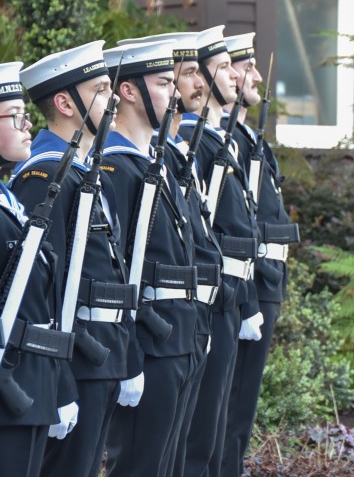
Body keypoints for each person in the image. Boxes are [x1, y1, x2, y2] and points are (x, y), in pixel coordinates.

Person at [11, 41, 134, 477]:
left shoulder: (83, 170)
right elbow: (41, 293)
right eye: (101, 89)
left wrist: (127, 357)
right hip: (75, 362)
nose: (114, 98)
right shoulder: (44, 176)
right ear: (64, 103)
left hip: (101, 356)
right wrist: (59, 382)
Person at [100, 40, 200, 477]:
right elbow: (113, 268)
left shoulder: (152, 161)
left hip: (180, 333)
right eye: (163, 83)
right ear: (129, 92)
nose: (175, 94)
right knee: (140, 464)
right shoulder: (114, 168)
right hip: (149, 341)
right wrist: (130, 358)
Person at [0, 62, 77, 477]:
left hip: (32, 387)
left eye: (26, 114)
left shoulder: (7, 203)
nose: (26, 126)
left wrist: (59, 388)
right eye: (14, 116)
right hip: (1, 392)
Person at [177, 26, 259, 477]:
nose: (238, 76)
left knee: (218, 425)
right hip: (210, 299)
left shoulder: (218, 137)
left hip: (228, 295)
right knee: (198, 434)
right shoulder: (195, 141)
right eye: (224, 66)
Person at [221, 32, 299, 476]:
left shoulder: (248, 138)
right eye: (242, 66)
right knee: (226, 410)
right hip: (246, 282)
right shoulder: (220, 142)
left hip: (266, 277)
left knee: (240, 410)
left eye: (251, 66)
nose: (252, 76)